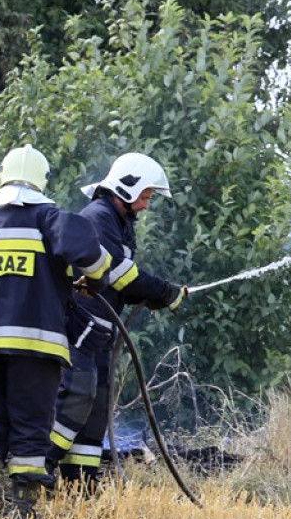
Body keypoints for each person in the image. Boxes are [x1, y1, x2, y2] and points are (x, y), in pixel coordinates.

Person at [0, 145, 111, 519]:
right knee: (31, 420)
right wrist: (90, 282)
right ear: (42, 181)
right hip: (35, 343)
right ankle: (23, 511)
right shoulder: (49, 218)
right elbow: (94, 256)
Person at [48, 153, 189, 492]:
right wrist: (164, 291)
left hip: (99, 333)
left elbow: (116, 284)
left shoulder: (117, 222)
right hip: (79, 330)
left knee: (95, 410)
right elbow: (119, 274)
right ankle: (37, 466)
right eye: (144, 196)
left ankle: (80, 485)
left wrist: (152, 295)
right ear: (126, 189)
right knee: (75, 400)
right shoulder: (98, 218)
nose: (146, 205)